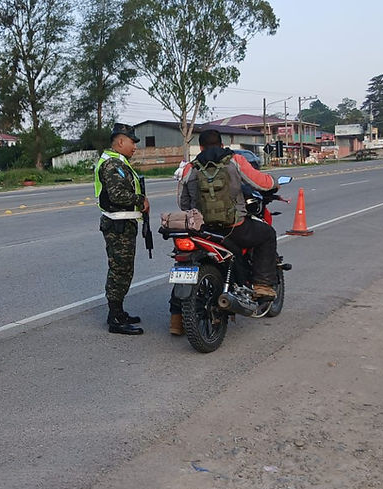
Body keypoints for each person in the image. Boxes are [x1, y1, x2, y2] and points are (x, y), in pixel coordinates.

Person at [170, 129, 279, 336]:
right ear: (221, 145)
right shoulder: (235, 160)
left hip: (203, 232)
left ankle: (176, 319)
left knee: (185, 268)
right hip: (234, 228)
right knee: (267, 235)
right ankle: (263, 285)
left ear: (200, 148)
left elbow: (183, 203)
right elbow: (259, 182)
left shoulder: (189, 169)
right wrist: (273, 183)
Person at [95, 123, 149, 335]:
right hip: (118, 224)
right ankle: (115, 318)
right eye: (132, 142)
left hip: (123, 223)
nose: (134, 147)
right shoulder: (112, 164)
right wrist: (140, 200)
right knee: (119, 271)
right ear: (120, 142)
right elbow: (117, 195)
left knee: (124, 270)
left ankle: (118, 312)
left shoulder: (119, 162)